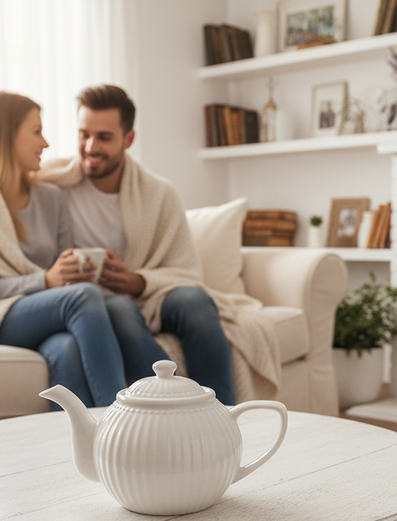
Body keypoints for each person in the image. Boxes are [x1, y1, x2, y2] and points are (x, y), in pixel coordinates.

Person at [38, 84, 281, 406]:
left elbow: (186, 271)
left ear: (129, 139)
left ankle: (223, 414)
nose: (90, 147)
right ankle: (183, 405)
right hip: (97, 304)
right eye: (84, 134)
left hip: (150, 294)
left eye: (104, 137)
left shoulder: (159, 193)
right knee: (120, 309)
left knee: (195, 301)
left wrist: (136, 281)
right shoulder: (52, 184)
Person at [0, 90, 127, 408]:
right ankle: (123, 426)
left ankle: (79, 453)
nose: (45, 143)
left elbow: (64, 269)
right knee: (84, 298)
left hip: (45, 315)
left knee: (66, 349)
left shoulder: (52, 197)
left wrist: (77, 270)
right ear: (6, 136)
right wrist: (44, 281)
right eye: (37, 132)